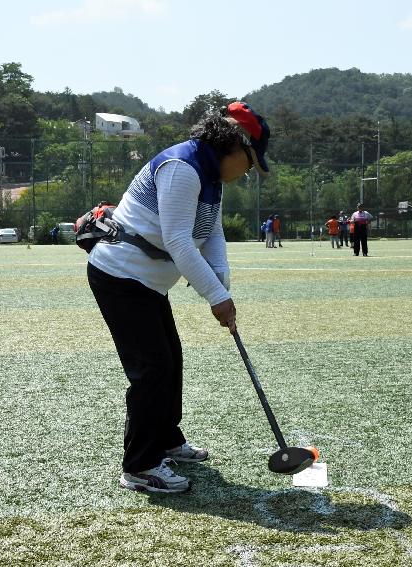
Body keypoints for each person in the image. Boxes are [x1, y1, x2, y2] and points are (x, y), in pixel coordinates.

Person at [86, 101, 270, 494]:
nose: (250, 170)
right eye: (251, 160)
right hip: (120, 276)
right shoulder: (183, 168)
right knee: (151, 370)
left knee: (170, 360)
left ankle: (166, 439)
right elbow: (179, 242)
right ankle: (140, 466)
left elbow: (212, 233)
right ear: (234, 146)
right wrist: (217, 298)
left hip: (147, 282)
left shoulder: (211, 173)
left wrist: (222, 282)